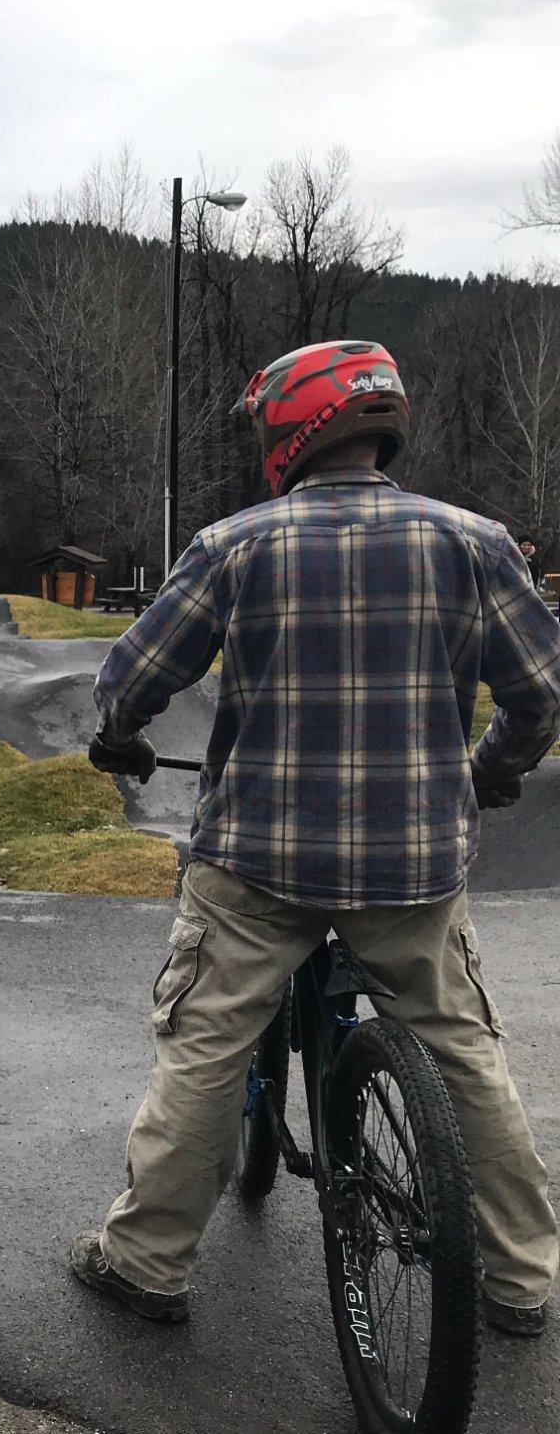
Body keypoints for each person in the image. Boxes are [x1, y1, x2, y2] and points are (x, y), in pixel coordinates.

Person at [74, 340, 560, 1338]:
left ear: (287, 431)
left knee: (204, 1047)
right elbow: (537, 697)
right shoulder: (473, 543)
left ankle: (144, 1261)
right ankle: (519, 1280)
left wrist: (117, 739)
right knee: (463, 1053)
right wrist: (490, 769)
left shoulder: (233, 546)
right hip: (412, 863)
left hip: (256, 862)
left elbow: (130, 679)